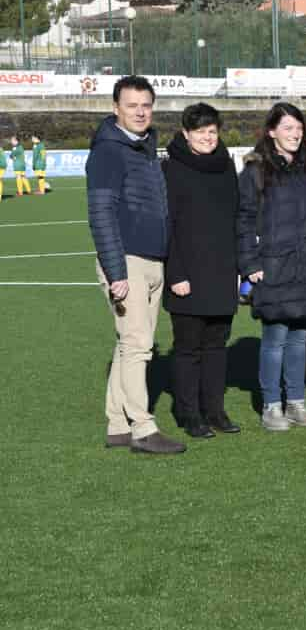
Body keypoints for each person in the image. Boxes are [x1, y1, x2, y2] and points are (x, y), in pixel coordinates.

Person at [86, 76, 185, 454]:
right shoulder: (109, 151)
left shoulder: (144, 146)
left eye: (146, 104)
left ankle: (116, 423)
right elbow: (101, 214)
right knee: (139, 344)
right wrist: (116, 271)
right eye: (132, 105)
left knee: (129, 344)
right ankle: (143, 428)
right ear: (116, 109)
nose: (141, 111)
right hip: (127, 261)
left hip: (151, 259)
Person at [237, 103, 306, 431]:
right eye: (288, 128)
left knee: (300, 337)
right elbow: (244, 219)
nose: (295, 134)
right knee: (275, 336)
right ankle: (271, 406)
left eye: (298, 128)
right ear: (272, 131)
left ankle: (296, 402)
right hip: (274, 266)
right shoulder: (256, 170)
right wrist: (250, 263)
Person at [162, 103, 241, 440]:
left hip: (222, 271)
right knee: (188, 348)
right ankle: (189, 412)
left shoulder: (226, 167)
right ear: (186, 134)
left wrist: (239, 269)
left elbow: (237, 218)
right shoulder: (171, 169)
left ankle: (215, 410)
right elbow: (167, 225)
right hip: (187, 274)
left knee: (216, 346)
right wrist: (176, 273)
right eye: (200, 132)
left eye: (212, 131)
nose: (208, 138)